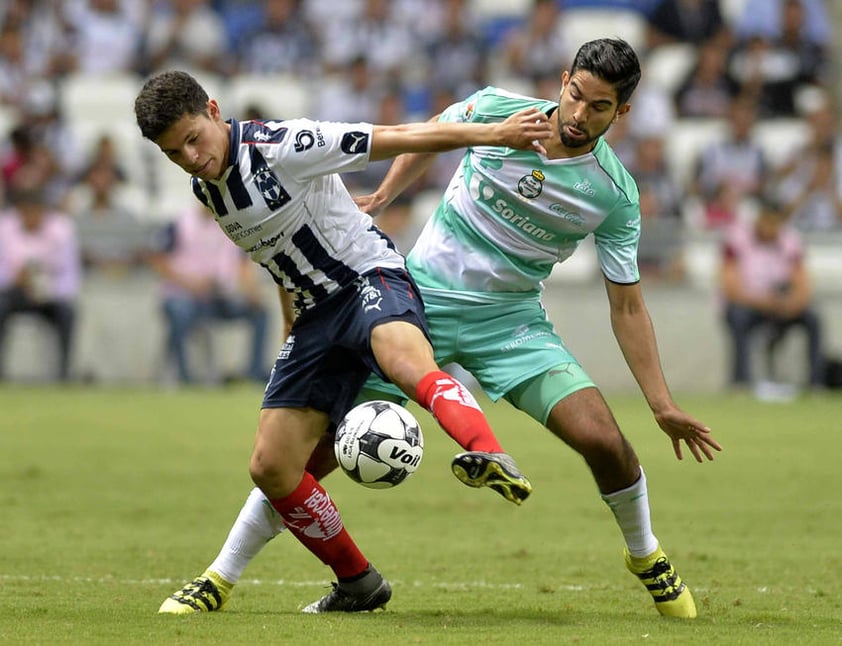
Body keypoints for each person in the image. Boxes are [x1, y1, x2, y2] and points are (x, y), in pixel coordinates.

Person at [156, 39, 722, 620]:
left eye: (599, 107)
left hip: (512, 323)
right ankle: (221, 575)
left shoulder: (615, 193)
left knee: (604, 440)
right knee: (303, 460)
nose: (579, 114)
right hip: (418, 300)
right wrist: (384, 194)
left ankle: (646, 553)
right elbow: (429, 135)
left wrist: (661, 404)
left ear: (621, 113)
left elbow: (626, 306)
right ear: (562, 80)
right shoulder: (495, 111)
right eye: (575, 95)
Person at [135, 70, 551, 613]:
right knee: (272, 466)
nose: (190, 157)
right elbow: (276, 255)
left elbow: (400, 135)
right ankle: (358, 583)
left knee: (406, 364)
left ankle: (488, 452)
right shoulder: (206, 187)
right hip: (313, 318)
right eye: (173, 153)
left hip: (369, 279)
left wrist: (495, 136)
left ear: (214, 110)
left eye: (193, 139)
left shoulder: (285, 147)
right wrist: (289, 323)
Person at [147, 203, 270, 385]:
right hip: (182, 295)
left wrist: (251, 291)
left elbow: (242, 262)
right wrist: (190, 283)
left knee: (260, 313)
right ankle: (184, 376)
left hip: (217, 296)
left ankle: (254, 372)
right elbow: (157, 260)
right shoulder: (180, 223)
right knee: (181, 313)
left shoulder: (232, 225)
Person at [719, 196, 824, 389]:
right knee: (737, 316)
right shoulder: (736, 238)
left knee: (813, 318)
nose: (770, 227)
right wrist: (763, 301)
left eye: (775, 222)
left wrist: (792, 302)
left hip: (780, 305)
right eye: (766, 220)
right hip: (750, 305)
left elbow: (802, 284)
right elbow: (730, 288)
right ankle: (741, 381)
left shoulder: (790, 240)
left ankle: (817, 382)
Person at [0, 181, 80, 382]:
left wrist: (47, 290)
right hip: (13, 292)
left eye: (35, 211)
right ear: (18, 211)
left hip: (49, 295)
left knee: (67, 313)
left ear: (44, 210)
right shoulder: (5, 227)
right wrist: (14, 279)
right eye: (24, 212)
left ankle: (64, 373)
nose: (30, 218)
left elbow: (71, 276)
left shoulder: (62, 229)